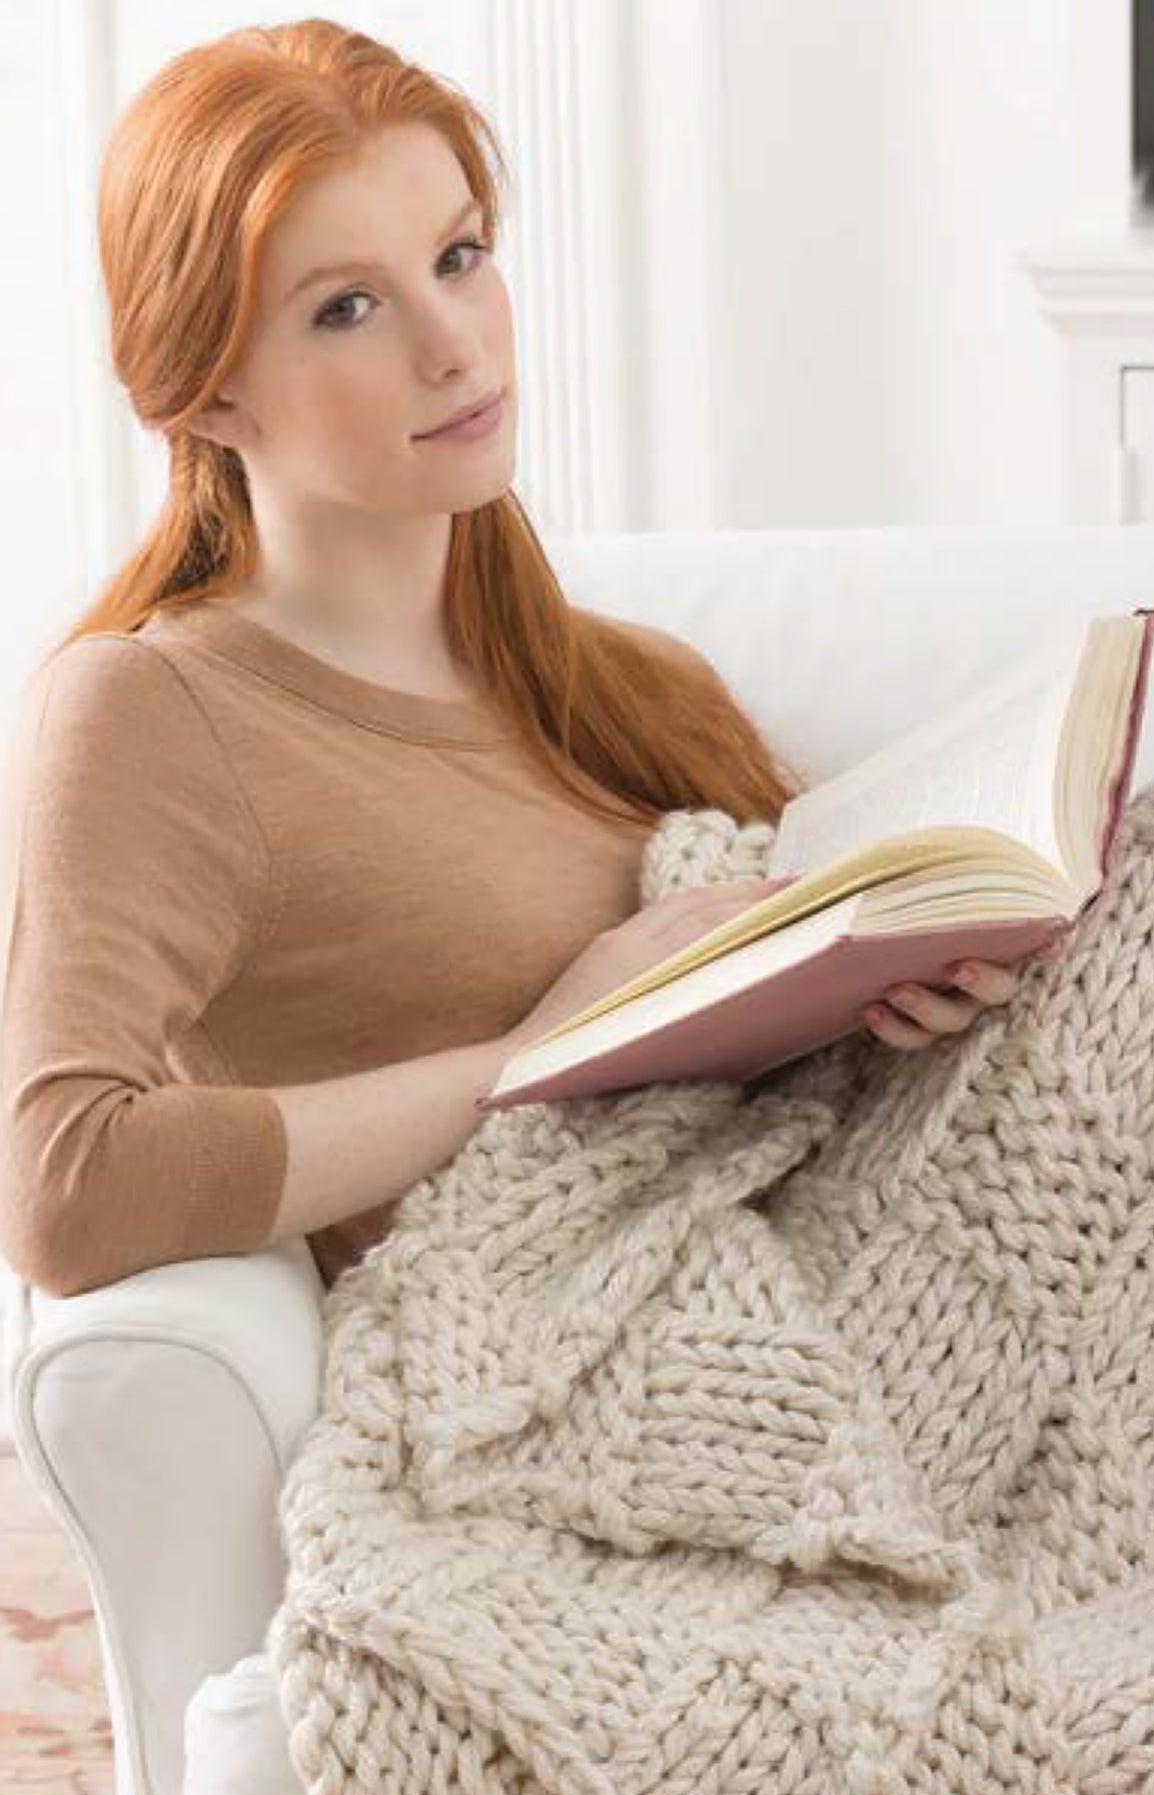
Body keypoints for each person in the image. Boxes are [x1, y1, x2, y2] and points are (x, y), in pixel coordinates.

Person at [0, 18, 1040, 1303]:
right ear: (207, 395)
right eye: (348, 307)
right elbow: (65, 1188)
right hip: (596, 1353)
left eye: (459, 257)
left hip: (852, 1264)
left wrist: (918, 994)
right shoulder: (152, 709)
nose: (454, 346)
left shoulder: (635, 686)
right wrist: (547, 1048)